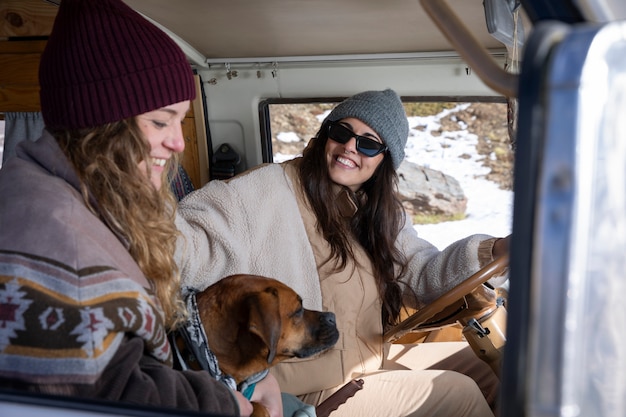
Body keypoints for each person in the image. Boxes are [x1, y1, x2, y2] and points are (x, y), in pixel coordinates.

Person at [0, 0, 281, 416]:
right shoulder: (61, 239)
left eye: (181, 122)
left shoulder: (60, 188)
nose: (179, 143)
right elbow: (114, 396)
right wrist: (228, 403)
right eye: (160, 122)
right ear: (104, 125)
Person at [175, 89, 510, 416]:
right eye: (342, 132)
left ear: (384, 160)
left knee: (505, 368)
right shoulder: (259, 192)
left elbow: (422, 273)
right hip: (302, 386)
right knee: (459, 393)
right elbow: (185, 248)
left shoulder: (377, 214)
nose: (350, 146)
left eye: (368, 143)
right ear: (326, 135)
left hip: (364, 362)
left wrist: (494, 251)